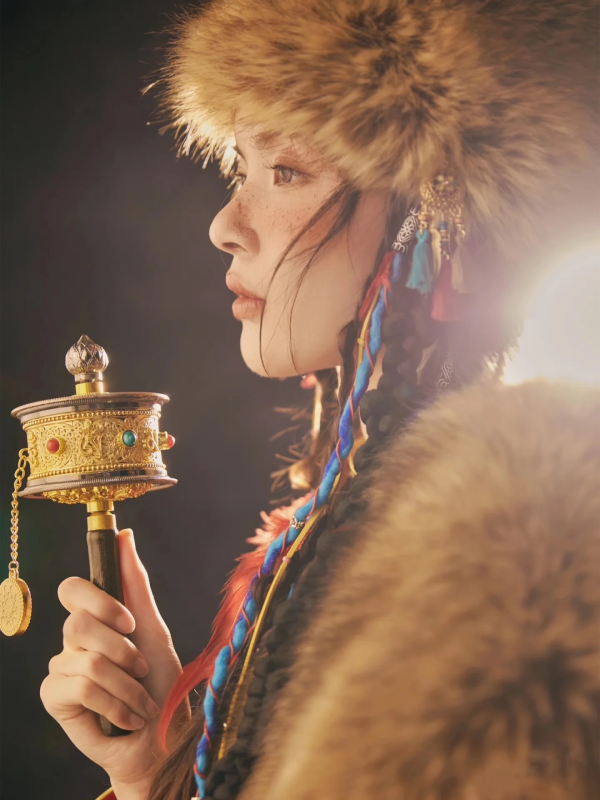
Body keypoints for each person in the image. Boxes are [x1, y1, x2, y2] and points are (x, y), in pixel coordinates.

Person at [39, 1, 600, 799]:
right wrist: (158, 772)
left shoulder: (521, 557)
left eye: (289, 171)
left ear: (437, 210)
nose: (225, 226)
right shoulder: (360, 522)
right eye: (241, 168)